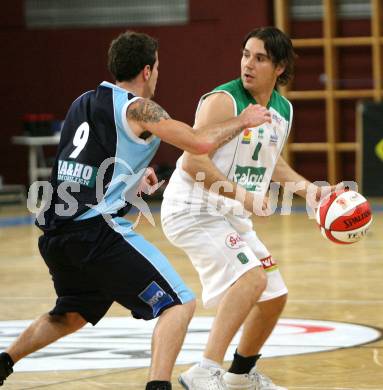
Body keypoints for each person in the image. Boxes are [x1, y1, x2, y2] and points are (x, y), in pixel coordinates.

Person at [0, 31, 272, 390]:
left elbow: (86, 165)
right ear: (147, 70)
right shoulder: (139, 108)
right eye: (157, 67)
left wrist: (128, 183)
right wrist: (245, 119)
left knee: (71, 314)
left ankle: (4, 362)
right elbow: (199, 141)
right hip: (94, 231)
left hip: (57, 233)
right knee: (179, 305)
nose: (158, 74)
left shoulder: (83, 102)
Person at [161, 27, 334, 390]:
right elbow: (192, 163)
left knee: (273, 296)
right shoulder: (224, 101)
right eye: (245, 55)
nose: (248, 64)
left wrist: (310, 191)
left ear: (280, 67)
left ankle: (239, 376)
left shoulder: (282, 109)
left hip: (229, 214)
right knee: (251, 278)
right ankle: (204, 370)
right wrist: (245, 196)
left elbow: (273, 163)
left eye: (260, 58)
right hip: (193, 208)